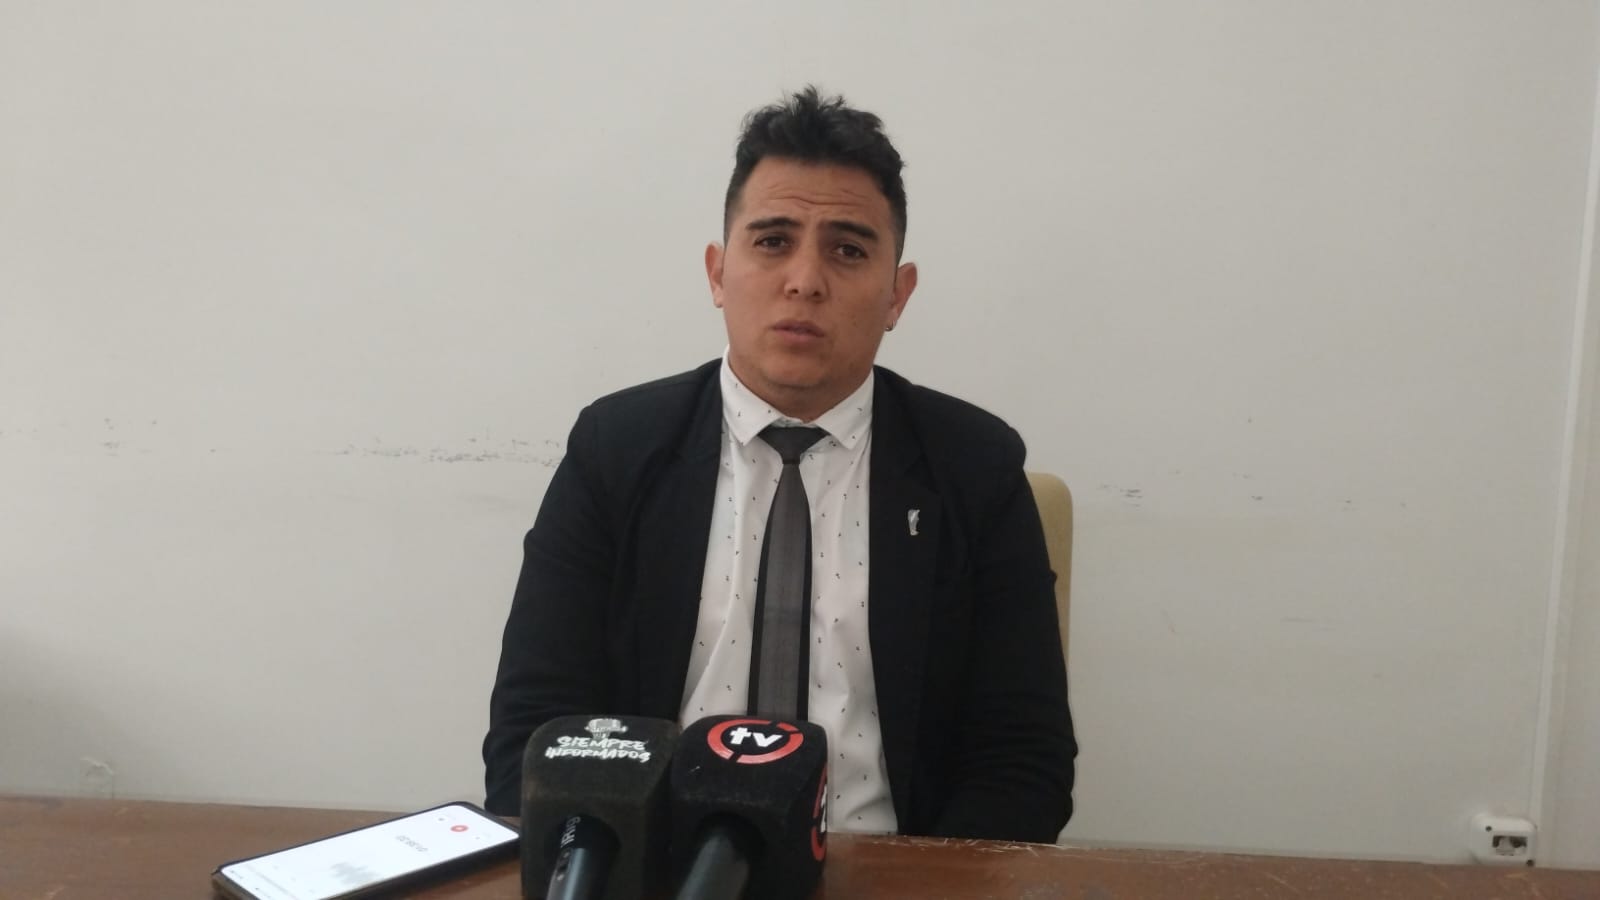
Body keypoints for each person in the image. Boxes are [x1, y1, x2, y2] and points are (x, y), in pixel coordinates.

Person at [483, 87, 1076, 843]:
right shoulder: (615, 449)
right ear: (716, 273)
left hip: (890, 869)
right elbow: (536, 730)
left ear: (897, 294)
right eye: (772, 241)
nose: (805, 280)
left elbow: (1023, 760)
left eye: (848, 250)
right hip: (654, 865)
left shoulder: (975, 467)